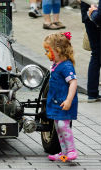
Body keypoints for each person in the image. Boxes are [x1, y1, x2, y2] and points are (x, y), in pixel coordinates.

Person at [43, 32, 78, 161]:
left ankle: (71, 150)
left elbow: (73, 82)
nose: (46, 54)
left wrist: (69, 100)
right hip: (57, 102)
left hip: (64, 103)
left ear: (57, 50)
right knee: (58, 127)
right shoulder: (56, 64)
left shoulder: (66, 66)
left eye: (48, 51)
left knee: (63, 126)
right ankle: (63, 153)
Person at [81, 0, 101, 102]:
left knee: (96, 54)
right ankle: (92, 93)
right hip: (94, 14)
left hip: (88, 13)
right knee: (96, 54)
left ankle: (92, 93)